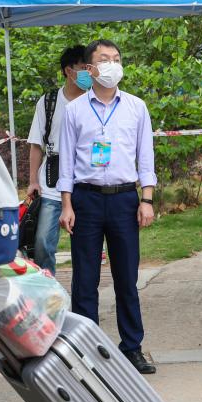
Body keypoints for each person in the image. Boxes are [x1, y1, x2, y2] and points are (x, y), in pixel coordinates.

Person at [57, 39, 158, 375]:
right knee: (85, 280)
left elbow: (145, 157)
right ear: (90, 68)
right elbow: (66, 161)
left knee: (126, 278)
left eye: (116, 58)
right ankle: (88, 351)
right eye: (104, 59)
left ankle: (132, 347)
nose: (112, 64)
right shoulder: (74, 110)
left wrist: (147, 199)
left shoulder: (136, 107)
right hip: (85, 199)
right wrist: (66, 205)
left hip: (124, 199)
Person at [26, 45, 90, 274]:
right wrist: (33, 181)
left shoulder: (95, 100)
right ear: (68, 71)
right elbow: (36, 144)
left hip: (85, 178)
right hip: (52, 180)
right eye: (83, 68)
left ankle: (82, 290)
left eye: (90, 68)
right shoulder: (48, 102)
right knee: (43, 241)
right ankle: (48, 287)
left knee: (85, 245)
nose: (88, 74)